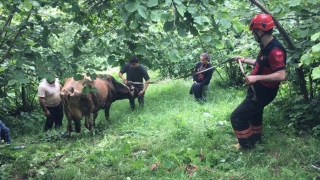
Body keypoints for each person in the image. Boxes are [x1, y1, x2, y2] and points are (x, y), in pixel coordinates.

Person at [230, 14, 287, 149]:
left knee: (237, 117)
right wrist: (244, 60)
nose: (253, 35)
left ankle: (248, 147)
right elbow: (261, 63)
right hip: (259, 89)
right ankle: (255, 140)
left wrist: (256, 78)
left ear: (260, 32)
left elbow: (281, 75)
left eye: (253, 32)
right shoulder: (267, 46)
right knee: (255, 113)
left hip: (263, 92)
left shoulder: (275, 51)